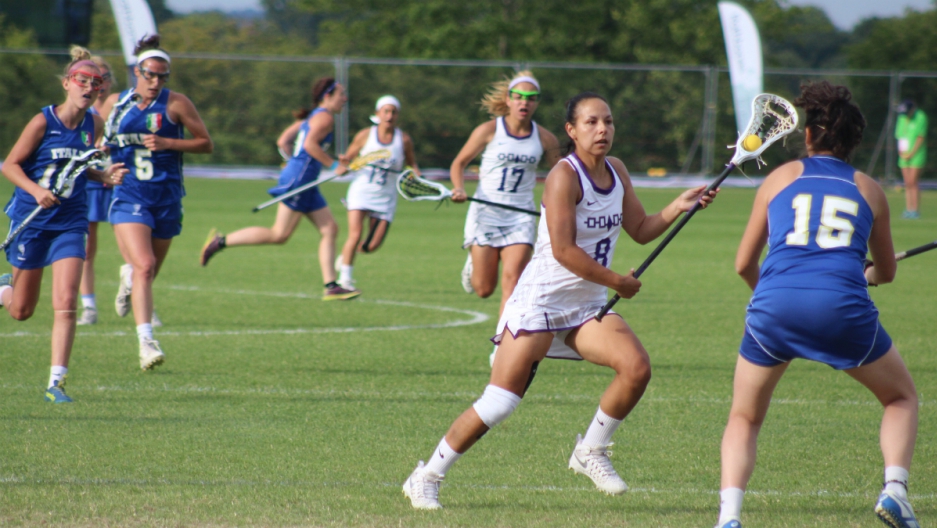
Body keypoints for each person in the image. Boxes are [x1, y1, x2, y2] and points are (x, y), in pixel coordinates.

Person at [402, 92, 715, 510]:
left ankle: (591, 450)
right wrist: (617, 282)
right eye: (591, 122)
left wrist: (678, 206)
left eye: (608, 121)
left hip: (586, 306)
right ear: (571, 130)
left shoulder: (617, 171)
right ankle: (426, 476)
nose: (602, 129)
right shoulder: (564, 177)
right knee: (499, 403)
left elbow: (639, 228)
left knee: (636, 368)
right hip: (540, 304)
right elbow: (565, 252)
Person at [715, 81, 918, 528]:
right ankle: (895, 491)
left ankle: (729, 518)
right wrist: (863, 273)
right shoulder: (871, 190)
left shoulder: (780, 178)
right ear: (854, 142)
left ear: (809, 136)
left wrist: (773, 299)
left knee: (745, 417)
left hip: (772, 308)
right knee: (900, 397)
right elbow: (885, 273)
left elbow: (743, 263)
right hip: (842, 308)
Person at [0, 46, 127, 402]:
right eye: (83, 81)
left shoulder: (94, 124)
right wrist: (36, 190)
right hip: (32, 220)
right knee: (22, 312)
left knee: (67, 299)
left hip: (71, 221)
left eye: (96, 84)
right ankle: (3, 290)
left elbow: (76, 167)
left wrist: (103, 175)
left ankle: (56, 383)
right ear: (68, 84)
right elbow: (9, 165)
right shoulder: (43, 121)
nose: (89, 88)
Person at [101, 35, 213, 370]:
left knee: (148, 271)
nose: (155, 82)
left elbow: (205, 143)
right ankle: (146, 342)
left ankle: (129, 277)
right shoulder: (114, 104)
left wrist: (168, 143)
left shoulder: (176, 104)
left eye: (162, 77)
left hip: (166, 197)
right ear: (137, 71)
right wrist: (105, 168)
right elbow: (97, 145)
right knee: (145, 266)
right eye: (149, 74)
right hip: (129, 195)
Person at [199, 77, 360, 302]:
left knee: (330, 229)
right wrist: (333, 166)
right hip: (300, 181)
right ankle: (220, 241)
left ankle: (331, 286)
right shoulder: (324, 118)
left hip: (303, 180)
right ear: (328, 96)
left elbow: (283, 141)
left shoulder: (314, 116)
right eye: (341, 94)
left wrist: (293, 161)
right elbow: (309, 145)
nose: (345, 99)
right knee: (279, 234)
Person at [449, 71, 561, 364]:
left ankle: (500, 345)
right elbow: (459, 163)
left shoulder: (545, 138)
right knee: (484, 289)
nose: (524, 103)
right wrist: (459, 188)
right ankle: (474, 260)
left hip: (521, 218)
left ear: (536, 103)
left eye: (531, 98)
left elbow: (562, 174)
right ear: (509, 100)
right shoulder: (489, 130)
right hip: (485, 214)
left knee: (513, 282)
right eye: (519, 97)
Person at [335, 95, 420, 291]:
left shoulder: (403, 139)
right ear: (377, 114)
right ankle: (345, 280)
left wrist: (415, 175)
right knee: (355, 234)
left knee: (371, 246)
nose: (389, 116)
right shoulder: (366, 135)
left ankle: (347, 256)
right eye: (386, 111)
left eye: (393, 112)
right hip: (362, 191)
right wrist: (343, 165)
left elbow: (411, 164)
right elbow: (348, 159)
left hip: (386, 196)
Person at [895, 99, 927, 219]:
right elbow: (899, 136)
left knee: (913, 182)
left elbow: (920, 137)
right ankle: (908, 209)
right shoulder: (902, 118)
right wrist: (901, 152)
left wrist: (911, 153)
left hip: (917, 155)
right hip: (904, 154)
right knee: (907, 182)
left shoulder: (921, 117)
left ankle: (915, 209)